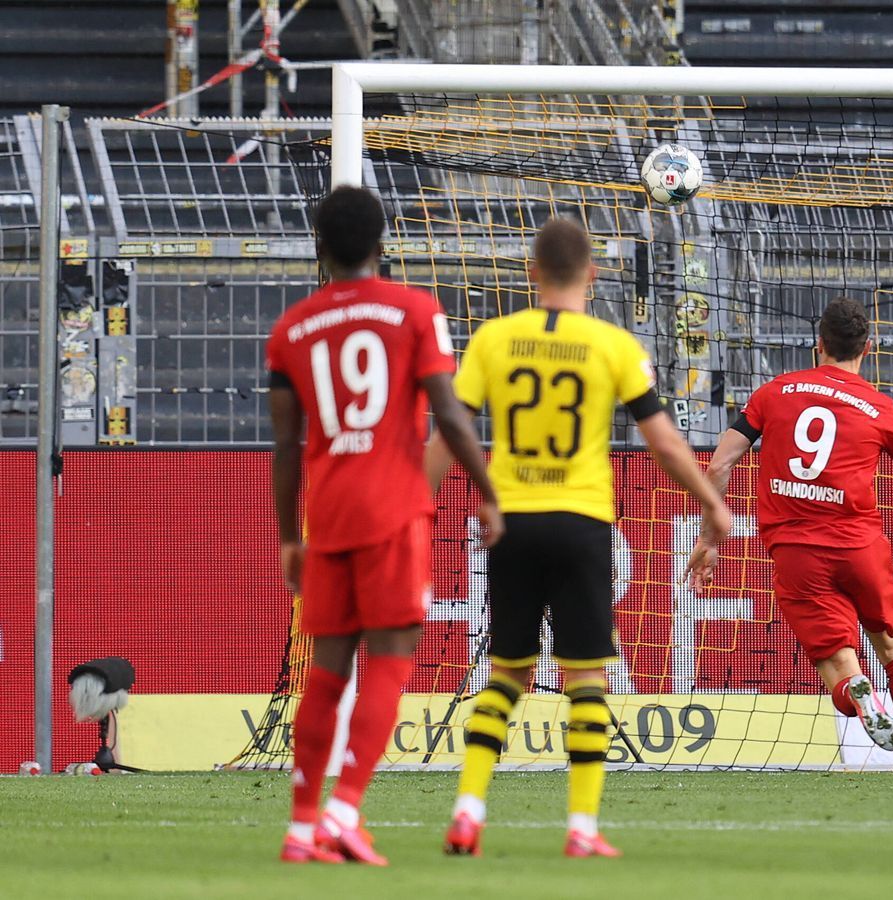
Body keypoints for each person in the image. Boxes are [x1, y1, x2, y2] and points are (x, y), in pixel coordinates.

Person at [430, 216, 732, 859]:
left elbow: (449, 434)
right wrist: (713, 500)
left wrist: (412, 502)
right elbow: (664, 443)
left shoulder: (493, 339)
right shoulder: (612, 346)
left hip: (509, 521)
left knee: (507, 671)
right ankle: (582, 828)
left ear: (532, 273)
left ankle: (467, 810)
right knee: (586, 679)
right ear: (593, 276)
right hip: (582, 522)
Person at [267, 185, 504, 866]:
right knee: (391, 666)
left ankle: (302, 825)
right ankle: (345, 811)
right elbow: (451, 416)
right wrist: (488, 494)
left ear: (320, 246)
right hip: (394, 509)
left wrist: (290, 536)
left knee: (328, 674)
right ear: (382, 243)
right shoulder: (415, 311)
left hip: (330, 512)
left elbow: (286, 448)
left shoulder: (291, 330)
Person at [686, 297, 893, 792]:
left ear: (817, 345)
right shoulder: (882, 408)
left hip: (798, 550)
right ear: (867, 349)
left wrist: (709, 540)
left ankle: (855, 692)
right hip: (860, 545)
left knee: (837, 661)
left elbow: (719, 465)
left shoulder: (774, 392)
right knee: (892, 646)